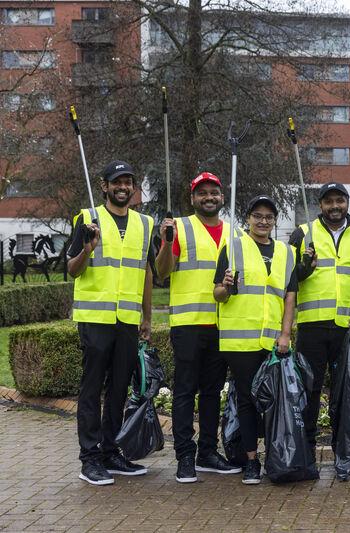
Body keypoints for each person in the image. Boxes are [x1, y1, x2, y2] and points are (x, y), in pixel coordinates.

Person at [67, 160, 155, 486]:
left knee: (119, 388)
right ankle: (89, 459)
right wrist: (87, 249)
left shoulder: (145, 224)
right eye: (117, 182)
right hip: (95, 318)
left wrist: (147, 315)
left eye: (128, 182)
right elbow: (73, 269)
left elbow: (146, 271)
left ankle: (110, 451)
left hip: (127, 319)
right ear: (104, 186)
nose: (123, 187)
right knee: (92, 390)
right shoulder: (87, 219)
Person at [155, 172, 241, 483]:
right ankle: (185, 457)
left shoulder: (234, 232)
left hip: (222, 325)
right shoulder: (180, 227)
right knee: (184, 392)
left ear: (221, 197)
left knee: (211, 393)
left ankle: (207, 452)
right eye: (202, 192)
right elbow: (161, 273)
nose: (209, 197)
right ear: (193, 198)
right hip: (189, 324)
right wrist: (166, 243)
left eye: (214, 192)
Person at [287, 182, 350, 478]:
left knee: (344, 394)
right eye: (329, 201)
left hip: (346, 329)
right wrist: (302, 268)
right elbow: (286, 280)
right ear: (320, 204)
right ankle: (307, 455)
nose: (335, 206)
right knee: (308, 393)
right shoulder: (303, 233)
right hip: (312, 327)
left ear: (347, 202)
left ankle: (344, 456)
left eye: (340, 200)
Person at [214, 195, 298, 485]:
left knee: (276, 401)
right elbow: (217, 295)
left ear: (274, 221)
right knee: (249, 400)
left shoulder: (287, 253)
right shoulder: (233, 248)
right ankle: (251, 460)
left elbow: (289, 296)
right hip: (240, 342)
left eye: (269, 217)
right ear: (248, 218)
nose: (263, 221)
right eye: (257, 216)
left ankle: (278, 455)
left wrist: (285, 333)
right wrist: (225, 287)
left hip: (273, 341)